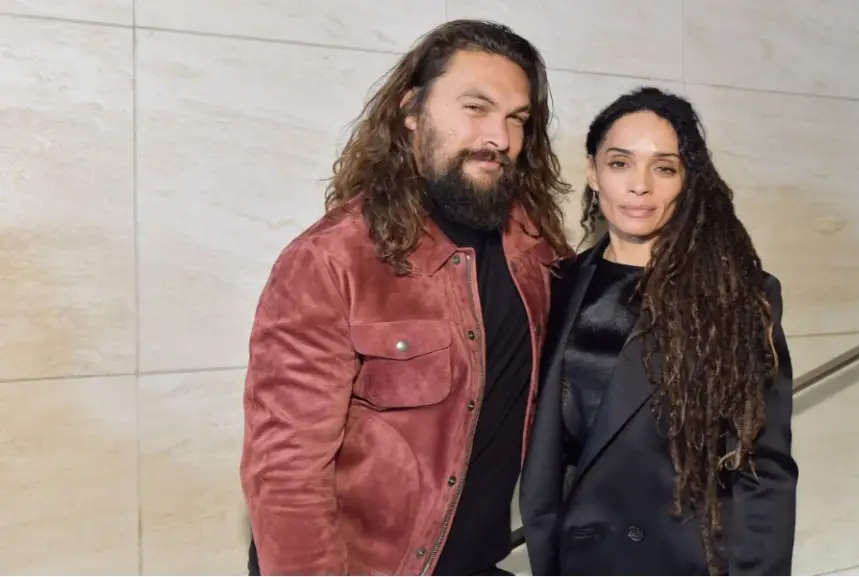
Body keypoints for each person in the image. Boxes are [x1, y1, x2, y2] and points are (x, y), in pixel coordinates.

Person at [240, 19, 573, 576]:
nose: (501, 138)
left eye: (518, 119)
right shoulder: (331, 261)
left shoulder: (535, 253)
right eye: (475, 108)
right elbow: (286, 475)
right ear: (411, 111)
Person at [518, 87, 799, 576]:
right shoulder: (554, 286)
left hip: (686, 559)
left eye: (664, 167)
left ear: (686, 181)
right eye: (621, 163)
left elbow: (763, 464)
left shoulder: (737, 295)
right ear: (593, 170)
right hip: (577, 558)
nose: (639, 186)